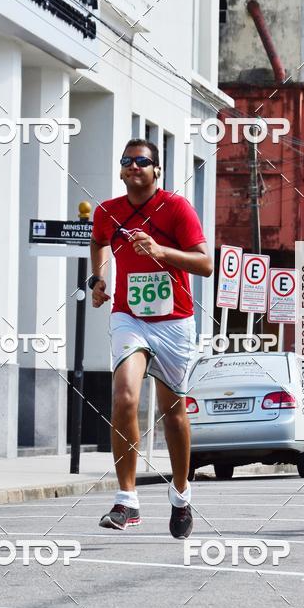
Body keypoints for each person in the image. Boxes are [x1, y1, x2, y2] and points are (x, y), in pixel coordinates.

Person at [89, 139, 213, 538]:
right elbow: (98, 242)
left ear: (157, 170)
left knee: (173, 413)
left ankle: (180, 494)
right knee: (124, 395)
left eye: (142, 161)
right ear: (121, 170)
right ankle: (127, 500)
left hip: (174, 321)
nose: (134, 166)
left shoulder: (176, 208)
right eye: (126, 161)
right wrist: (100, 278)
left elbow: (206, 263)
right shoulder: (108, 211)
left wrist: (162, 251)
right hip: (128, 316)